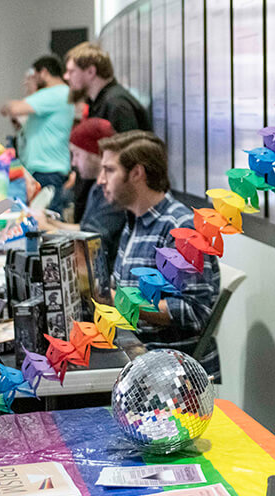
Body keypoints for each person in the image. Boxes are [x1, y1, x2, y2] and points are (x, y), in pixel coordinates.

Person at [100, 130, 221, 380]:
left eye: (109, 170)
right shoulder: (135, 221)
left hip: (172, 377)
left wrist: (117, 299)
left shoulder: (180, 229)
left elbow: (195, 311)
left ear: (136, 174)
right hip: (138, 359)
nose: (101, 179)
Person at [63, 41, 150, 220]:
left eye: (72, 71)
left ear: (91, 71)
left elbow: (130, 159)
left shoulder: (117, 105)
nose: (66, 76)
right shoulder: (100, 103)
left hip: (113, 210)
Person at [39, 118, 128, 271]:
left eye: (77, 154)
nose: (73, 163)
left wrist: (46, 228)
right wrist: (51, 223)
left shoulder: (112, 190)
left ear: (95, 153)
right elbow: (85, 228)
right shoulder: (97, 186)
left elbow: (91, 240)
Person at [0, 55, 76, 213]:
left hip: (47, 170)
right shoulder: (58, 94)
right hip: (46, 168)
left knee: (44, 223)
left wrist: (31, 90)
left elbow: (12, 108)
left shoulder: (54, 93)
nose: (27, 80)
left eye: (32, 76)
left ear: (44, 73)